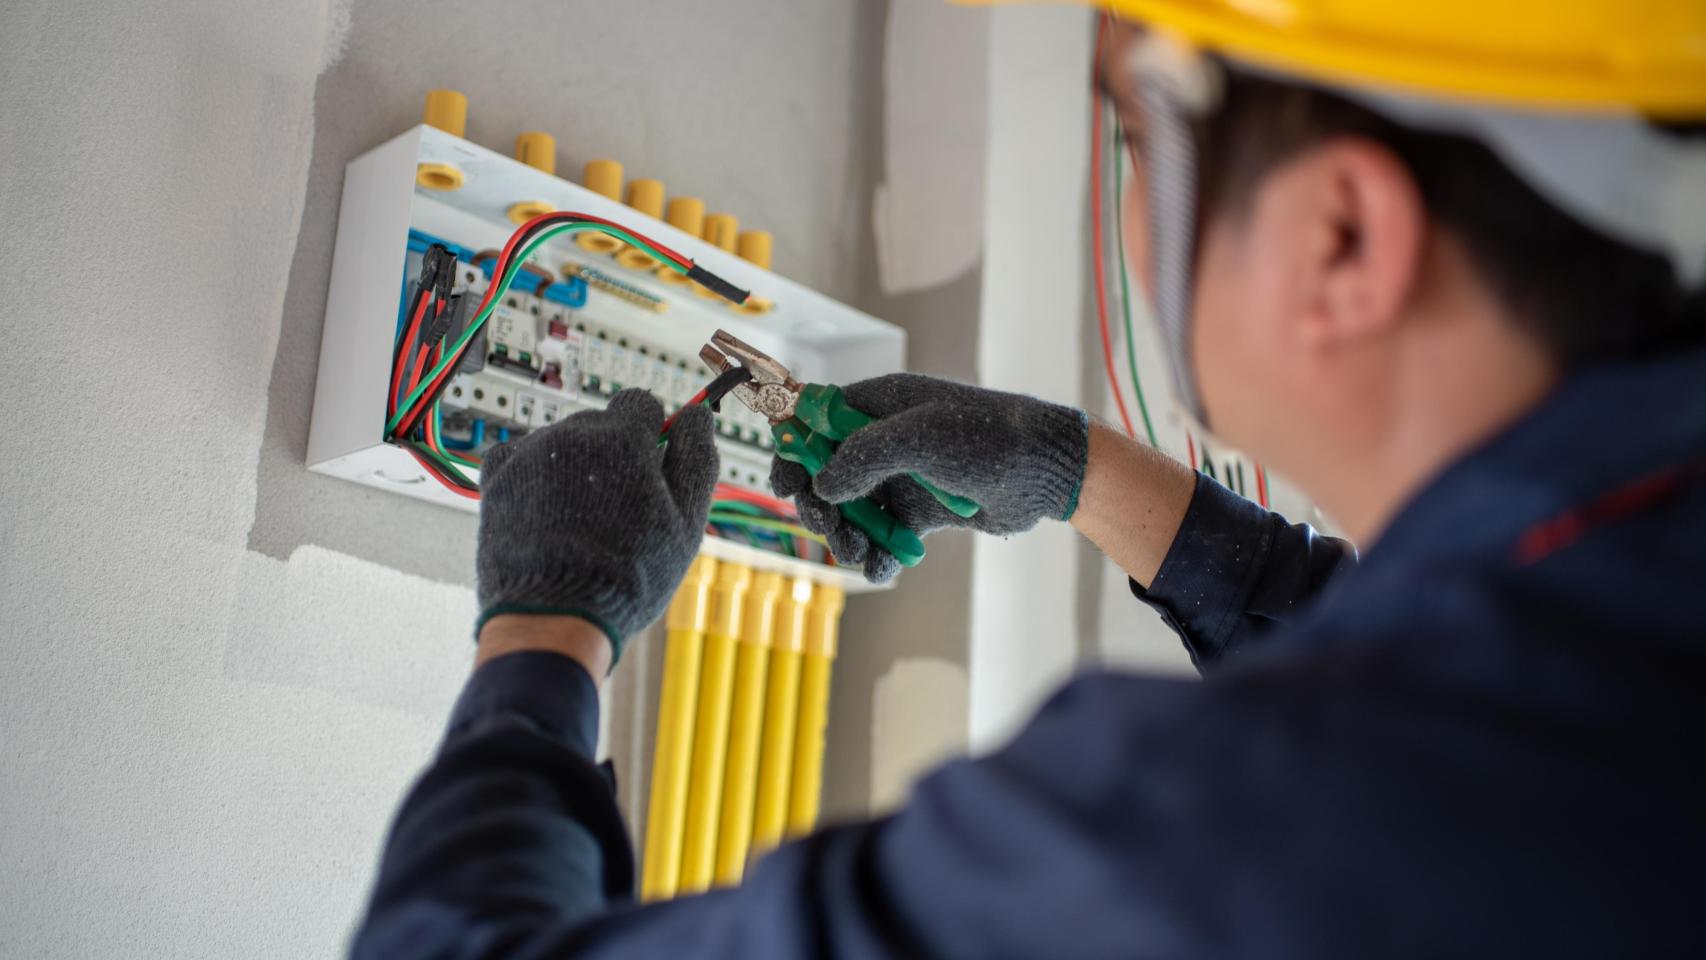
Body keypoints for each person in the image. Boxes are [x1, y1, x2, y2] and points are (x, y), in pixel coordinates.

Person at [352, 1, 1706, 956]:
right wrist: (1075, 472)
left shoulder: (1200, 834)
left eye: (1134, 139)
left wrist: (547, 629)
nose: (1128, 209)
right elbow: (1434, 670)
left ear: (1338, 235)